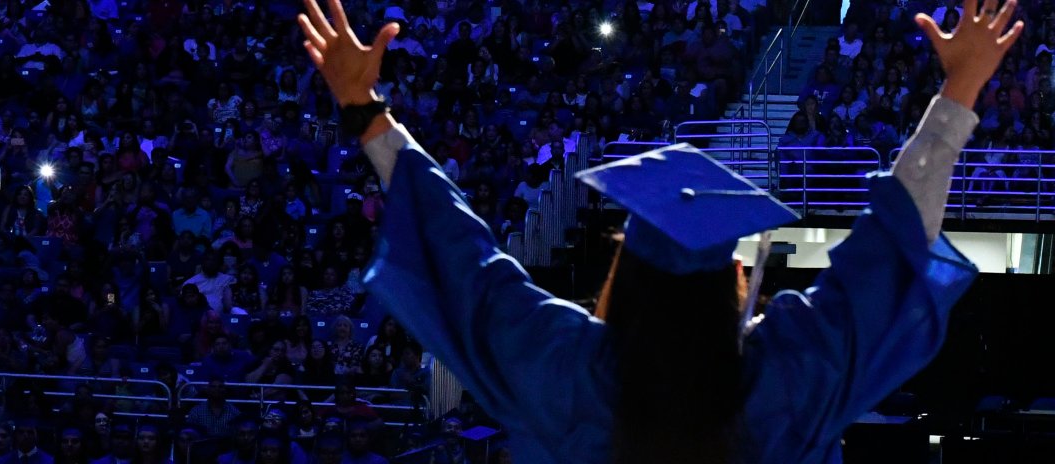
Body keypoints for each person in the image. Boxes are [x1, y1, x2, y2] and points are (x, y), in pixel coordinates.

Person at [297, 0, 1016, 462]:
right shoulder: (789, 379)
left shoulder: (560, 367)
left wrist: (365, 109)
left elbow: (463, 258)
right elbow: (887, 251)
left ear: (623, 277)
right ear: (734, 282)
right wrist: (959, 92)